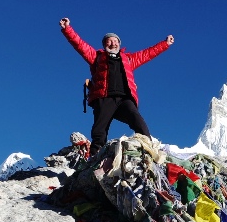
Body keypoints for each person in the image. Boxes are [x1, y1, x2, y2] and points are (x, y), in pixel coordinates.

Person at [59, 17, 174, 156]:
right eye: (109, 41)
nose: (113, 43)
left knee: (138, 120)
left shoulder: (129, 59)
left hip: (124, 98)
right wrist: (67, 29)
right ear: (104, 44)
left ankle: (148, 150)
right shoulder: (96, 57)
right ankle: (95, 156)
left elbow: (147, 53)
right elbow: (79, 45)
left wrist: (165, 44)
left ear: (119, 44)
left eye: (115, 41)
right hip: (104, 97)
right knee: (99, 130)